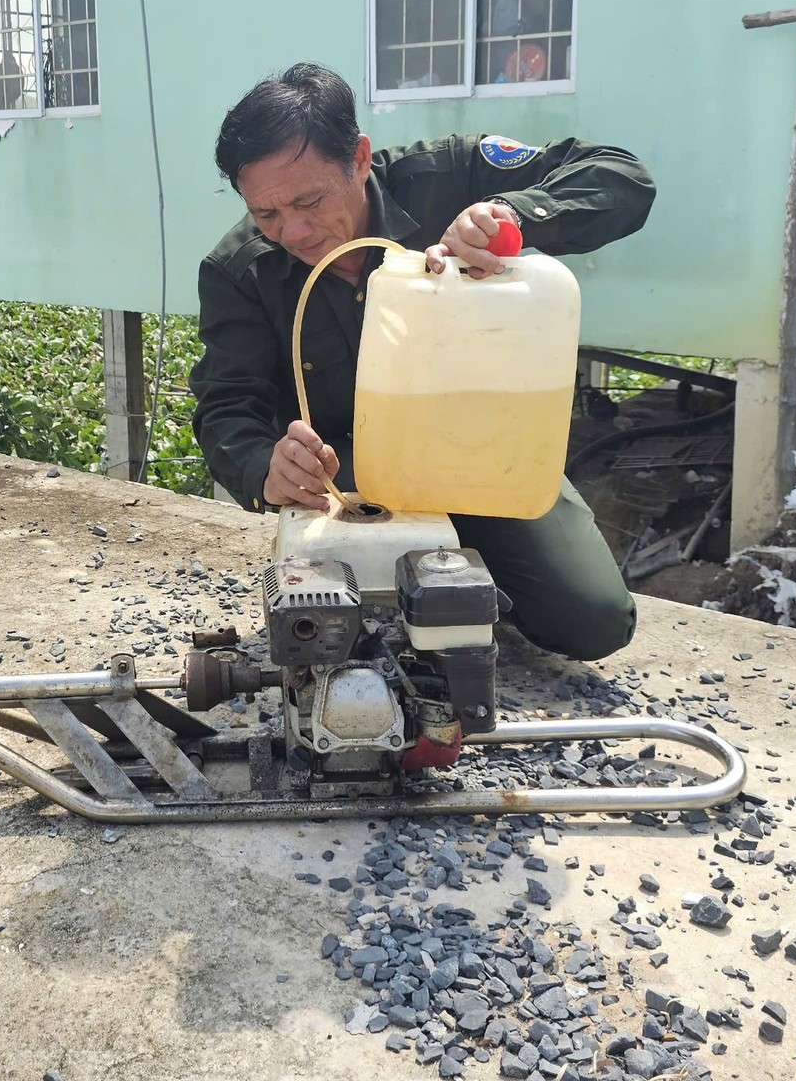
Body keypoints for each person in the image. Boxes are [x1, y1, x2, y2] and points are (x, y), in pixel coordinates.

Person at [188, 62, 656, 662]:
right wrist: (264, 468)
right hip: (348, 479)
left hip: (487, 454)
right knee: (337, 647)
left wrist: (514, 216)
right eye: (267, 214)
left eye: (309, 201)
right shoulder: (240, 269)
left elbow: (623, 178)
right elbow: (226, 406)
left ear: (358, 158)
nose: (295, 232)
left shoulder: (451, 176)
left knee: (593, 623)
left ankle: (487, 579)